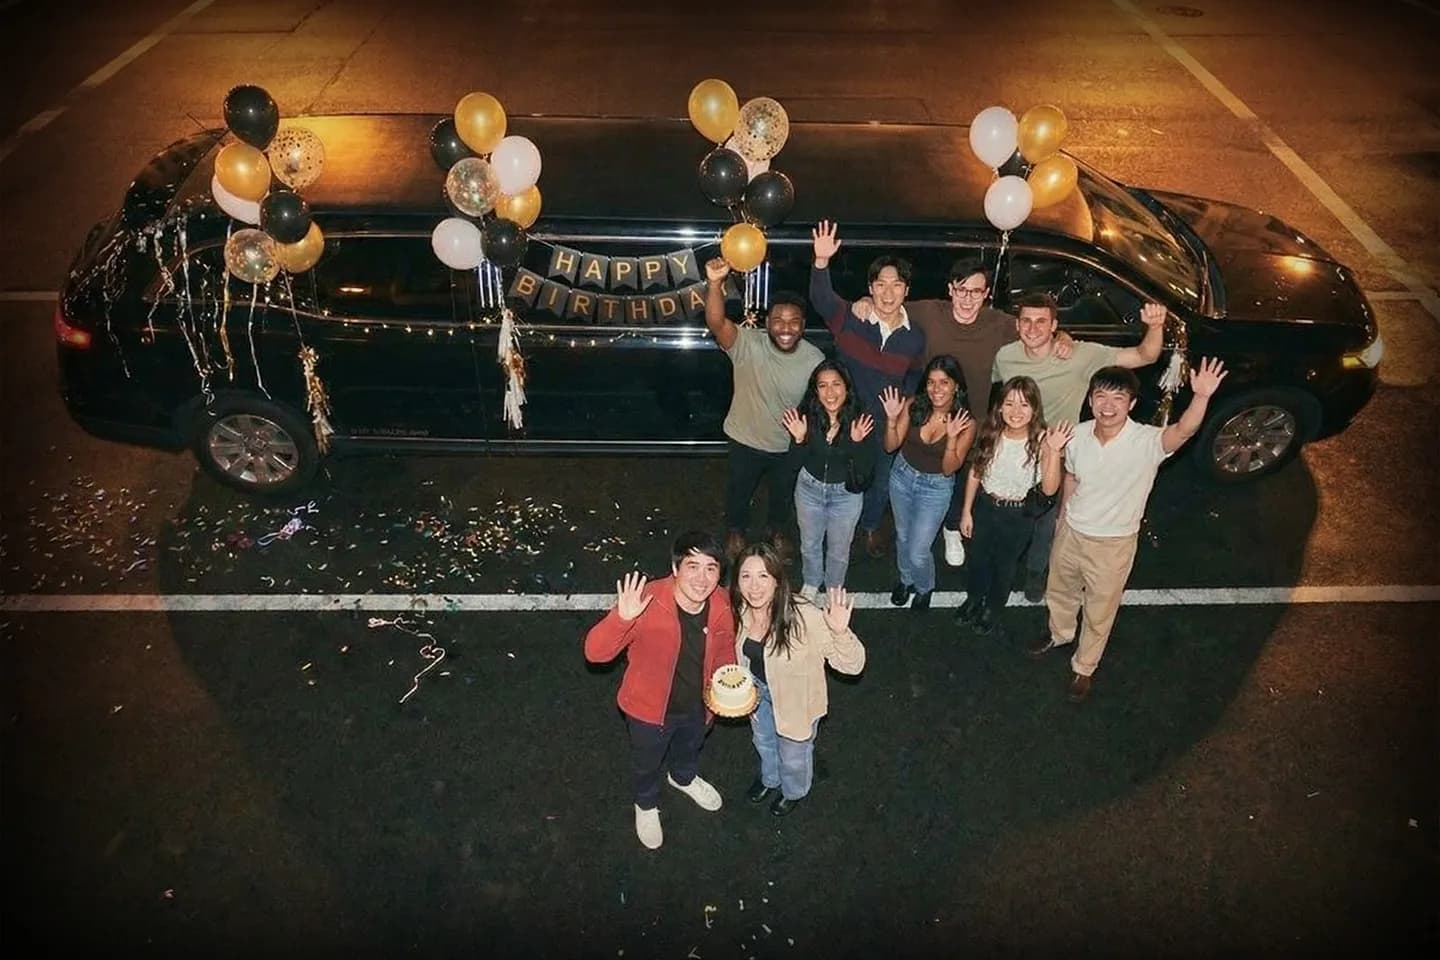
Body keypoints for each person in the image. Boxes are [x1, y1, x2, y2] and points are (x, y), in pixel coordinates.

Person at [1028, 358, 1228, 702]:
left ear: (1132, 404)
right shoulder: (1076, 436)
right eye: (1101, 397)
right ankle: (1059, 633)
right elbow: (1072, 477)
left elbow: (1184, 431)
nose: (1108, 406)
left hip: (1113, 543)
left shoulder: (1146, 441)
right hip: (1073, 531)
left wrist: (1201, 397)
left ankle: (1085, 666)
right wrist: (1062, 517)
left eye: (1118, 399)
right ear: (1091, 401)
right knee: (1060, 589)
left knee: (1100, 608)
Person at [993, 292, 1167, 603]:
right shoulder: (1005, 356)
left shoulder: (1080, 355)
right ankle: (1001, 567)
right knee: (1006, 513)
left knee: (1045, 521)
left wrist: (1155, 326)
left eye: (1042, 322)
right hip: (1015, 447)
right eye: (1027, 322)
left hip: (1055, 451)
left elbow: (1145, 356)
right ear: (1017, 325)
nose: (1033, 329)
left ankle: (1036, 571)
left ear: (1054, 325)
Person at [583, 531, 737, 849]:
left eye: (711, 567)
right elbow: (595, 653)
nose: (702, 577)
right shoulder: (646, 601)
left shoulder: (722, 601)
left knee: (690, 748)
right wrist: (621, 619)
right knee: (647, 761)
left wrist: (726, 682)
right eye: (692, 566)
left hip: (699, 706)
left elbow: (724, 648)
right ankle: (646, 803)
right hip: (648, 711)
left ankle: (682, 778)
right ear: (675, 567)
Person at [809, 220, 928, 559]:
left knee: (880, 480)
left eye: (896, 285)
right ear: (871, 288)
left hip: (883, 423)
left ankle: (871, 526)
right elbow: (821, 298)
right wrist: (821, 262)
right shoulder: (851, 317)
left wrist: (901, 409)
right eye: (880, 285)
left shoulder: (915, 335)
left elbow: (914, 374)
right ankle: (829, 530)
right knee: (835, 475)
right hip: (843, 418)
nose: (888, 293)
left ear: (906, 290)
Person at [731, 541, 865, 816]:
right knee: (764, 741)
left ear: (778, 581)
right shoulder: (742, 610)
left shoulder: (807, 617)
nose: (754, 586)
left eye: (763, 576)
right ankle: (770, 779)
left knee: (793, 757)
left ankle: (794, 791)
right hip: (758, 693)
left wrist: (840, 632)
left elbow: (853, 666)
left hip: (796, 704)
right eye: (746, 576)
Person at [705, 257, 825, 560]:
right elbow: (716, 322)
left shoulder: (815, 359)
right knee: (738, 492)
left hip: (787, 444)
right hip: (745, 438)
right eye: (778, 320)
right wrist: (715, 283)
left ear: (803, 325)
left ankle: (776, 531)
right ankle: (735, 531)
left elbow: (823, 403)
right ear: (767, 322)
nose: (786, 328)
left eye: (794, 321)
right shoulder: (746, 343)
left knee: (782, 495)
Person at [956, 376, 1071, 638]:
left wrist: (1053, 451)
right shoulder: (991, 431)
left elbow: (1051, 489)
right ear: (999, 407)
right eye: (1009, 404)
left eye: (1024, 405)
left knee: (1004, 564)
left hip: (1017, 514)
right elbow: (975, 471)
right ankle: (974, 599)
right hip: (986, 506)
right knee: (977, 559)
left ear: (1034, 409)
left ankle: (992, 609)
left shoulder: (1043, 440)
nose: (1016, 412)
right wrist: (966, 511)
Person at [879, 355, 974, 610]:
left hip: (936, 487)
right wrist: (890, 419)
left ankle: (924, 587)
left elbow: (949, 469)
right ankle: (906, 579)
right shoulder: (914, 405)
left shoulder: (966, 422)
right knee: (902, 536)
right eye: (931, 382)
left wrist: (952, 438)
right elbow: (890, 446)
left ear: (956, 386)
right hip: (902, 476)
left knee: (919, 549)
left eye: (944, 382)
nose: (936, 389)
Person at [780, 359, 877, 599]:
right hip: (809, 489)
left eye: (836, 384)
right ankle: (812, 581)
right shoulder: (806, 417)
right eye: (822, 386)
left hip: (846, 495)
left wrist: (856, 443)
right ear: (815, 390)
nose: (830, 392)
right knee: (809, 543)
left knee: (839, 548)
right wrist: (800, 440)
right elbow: (792, 466)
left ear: (847, 387)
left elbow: (866, 472)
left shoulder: (860, 421)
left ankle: (835, 585)